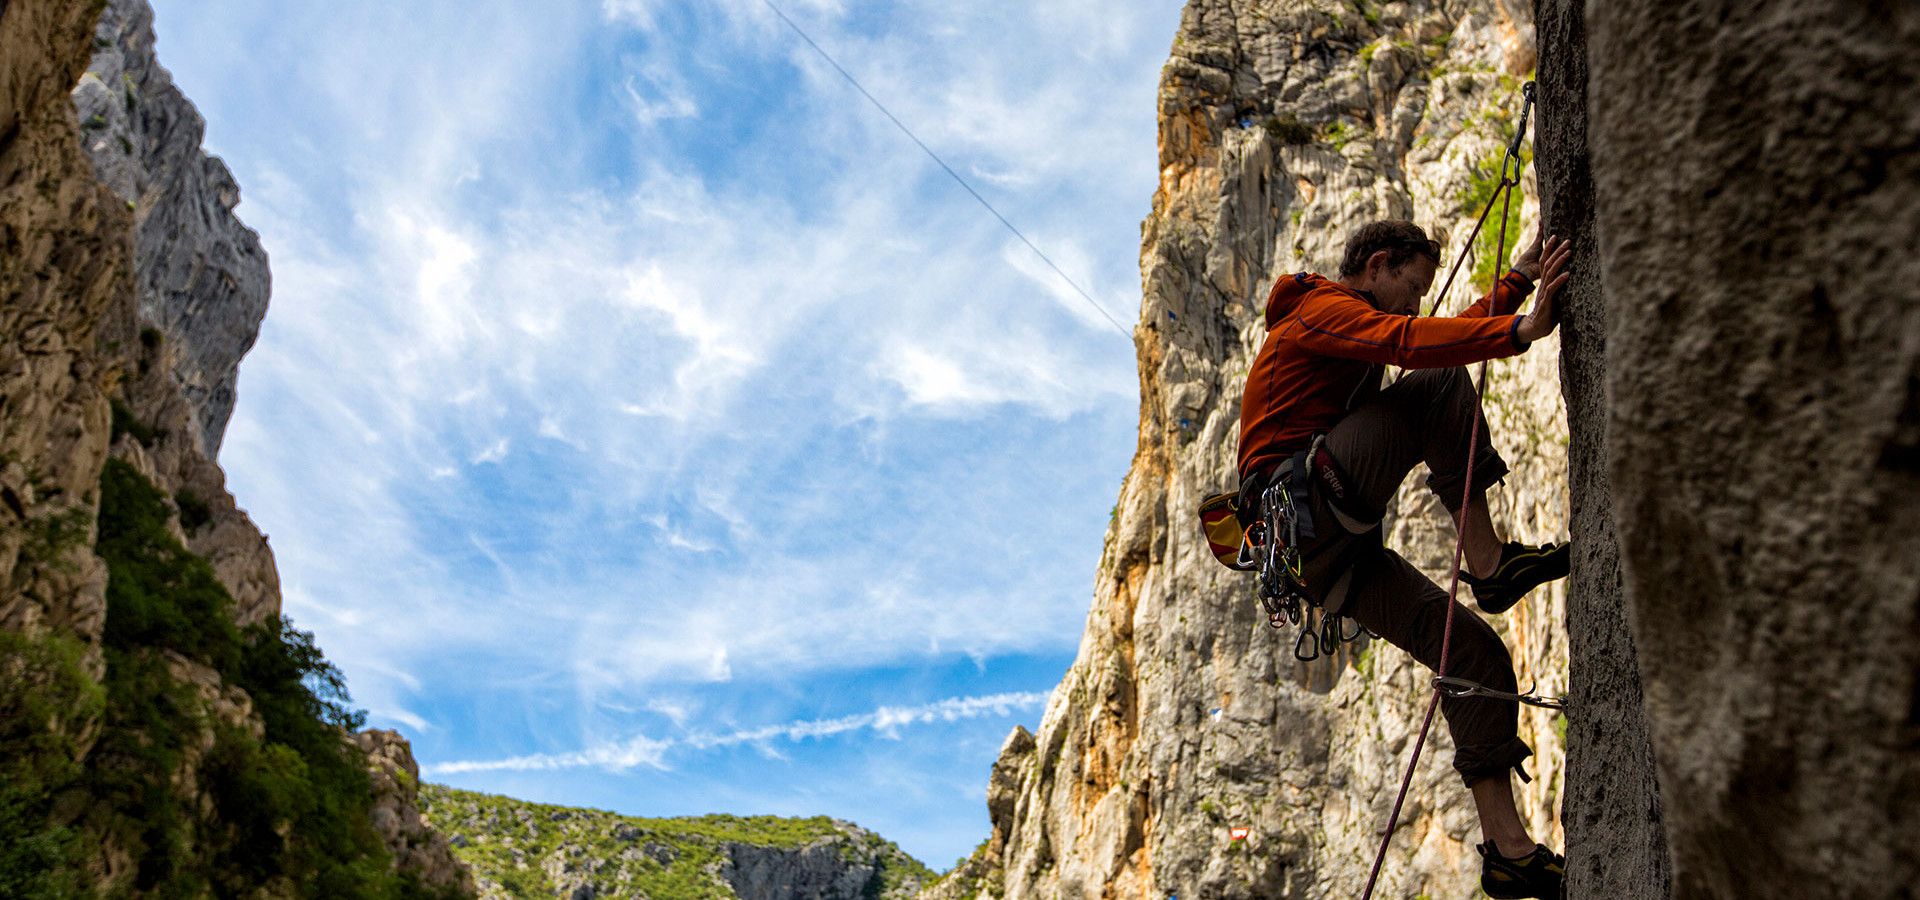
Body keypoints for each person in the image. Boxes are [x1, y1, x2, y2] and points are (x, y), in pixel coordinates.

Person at [1236, 220, 1573, 899]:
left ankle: (1509, 852)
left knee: (1474, 655)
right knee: (1440, 386)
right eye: (1412, 286)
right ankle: (1490, 565)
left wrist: (1519, 280)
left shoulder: (1351, 326)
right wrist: (1519, 331)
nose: (1417, 302)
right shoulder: (1322, 310)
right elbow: (1411, 345)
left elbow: (1420, 335)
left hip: (1327, 554)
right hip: (1304, 507)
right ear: (1378, 264)